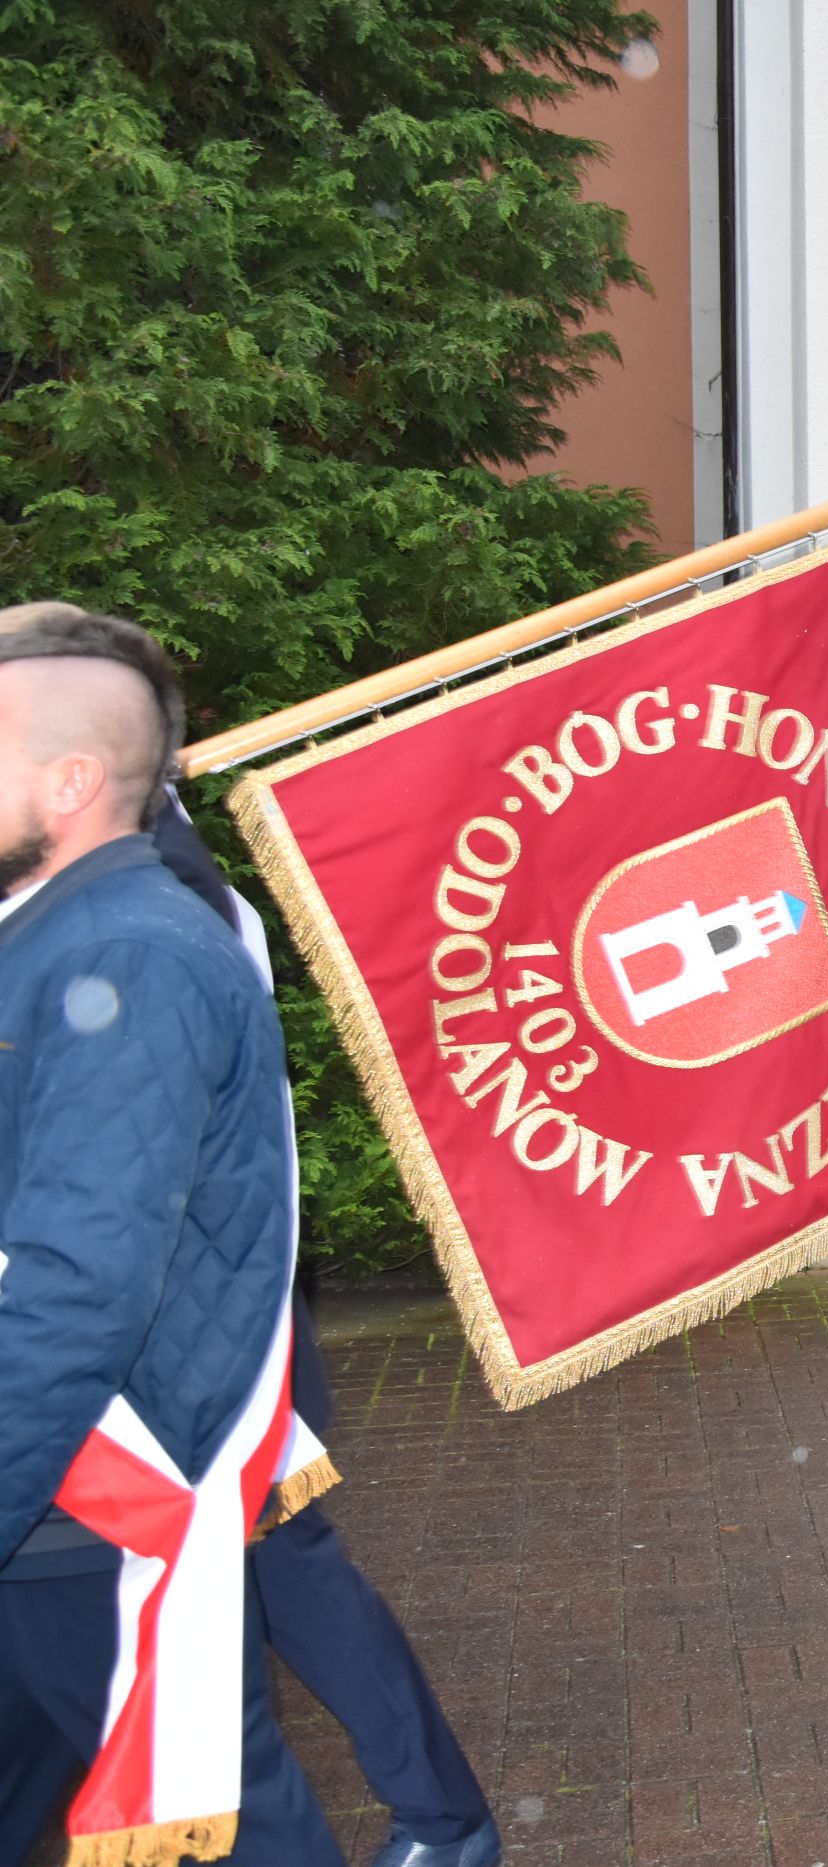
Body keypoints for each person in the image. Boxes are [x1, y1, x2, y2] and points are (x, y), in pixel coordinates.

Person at [0, 609, 345, 1865]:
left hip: (82, 1500)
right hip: (56, 1497)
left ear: (72, 782)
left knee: (216, 1824)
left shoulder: (126, 957)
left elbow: (75, 1283)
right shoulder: (57, 935)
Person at [144, 804, 502, 1867]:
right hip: (202, 1320)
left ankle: (442, 1819)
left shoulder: (152, 910)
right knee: (259, 1589)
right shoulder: (169, 892)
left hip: (195, 1333)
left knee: (273, 1581)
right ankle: (442, 1818)